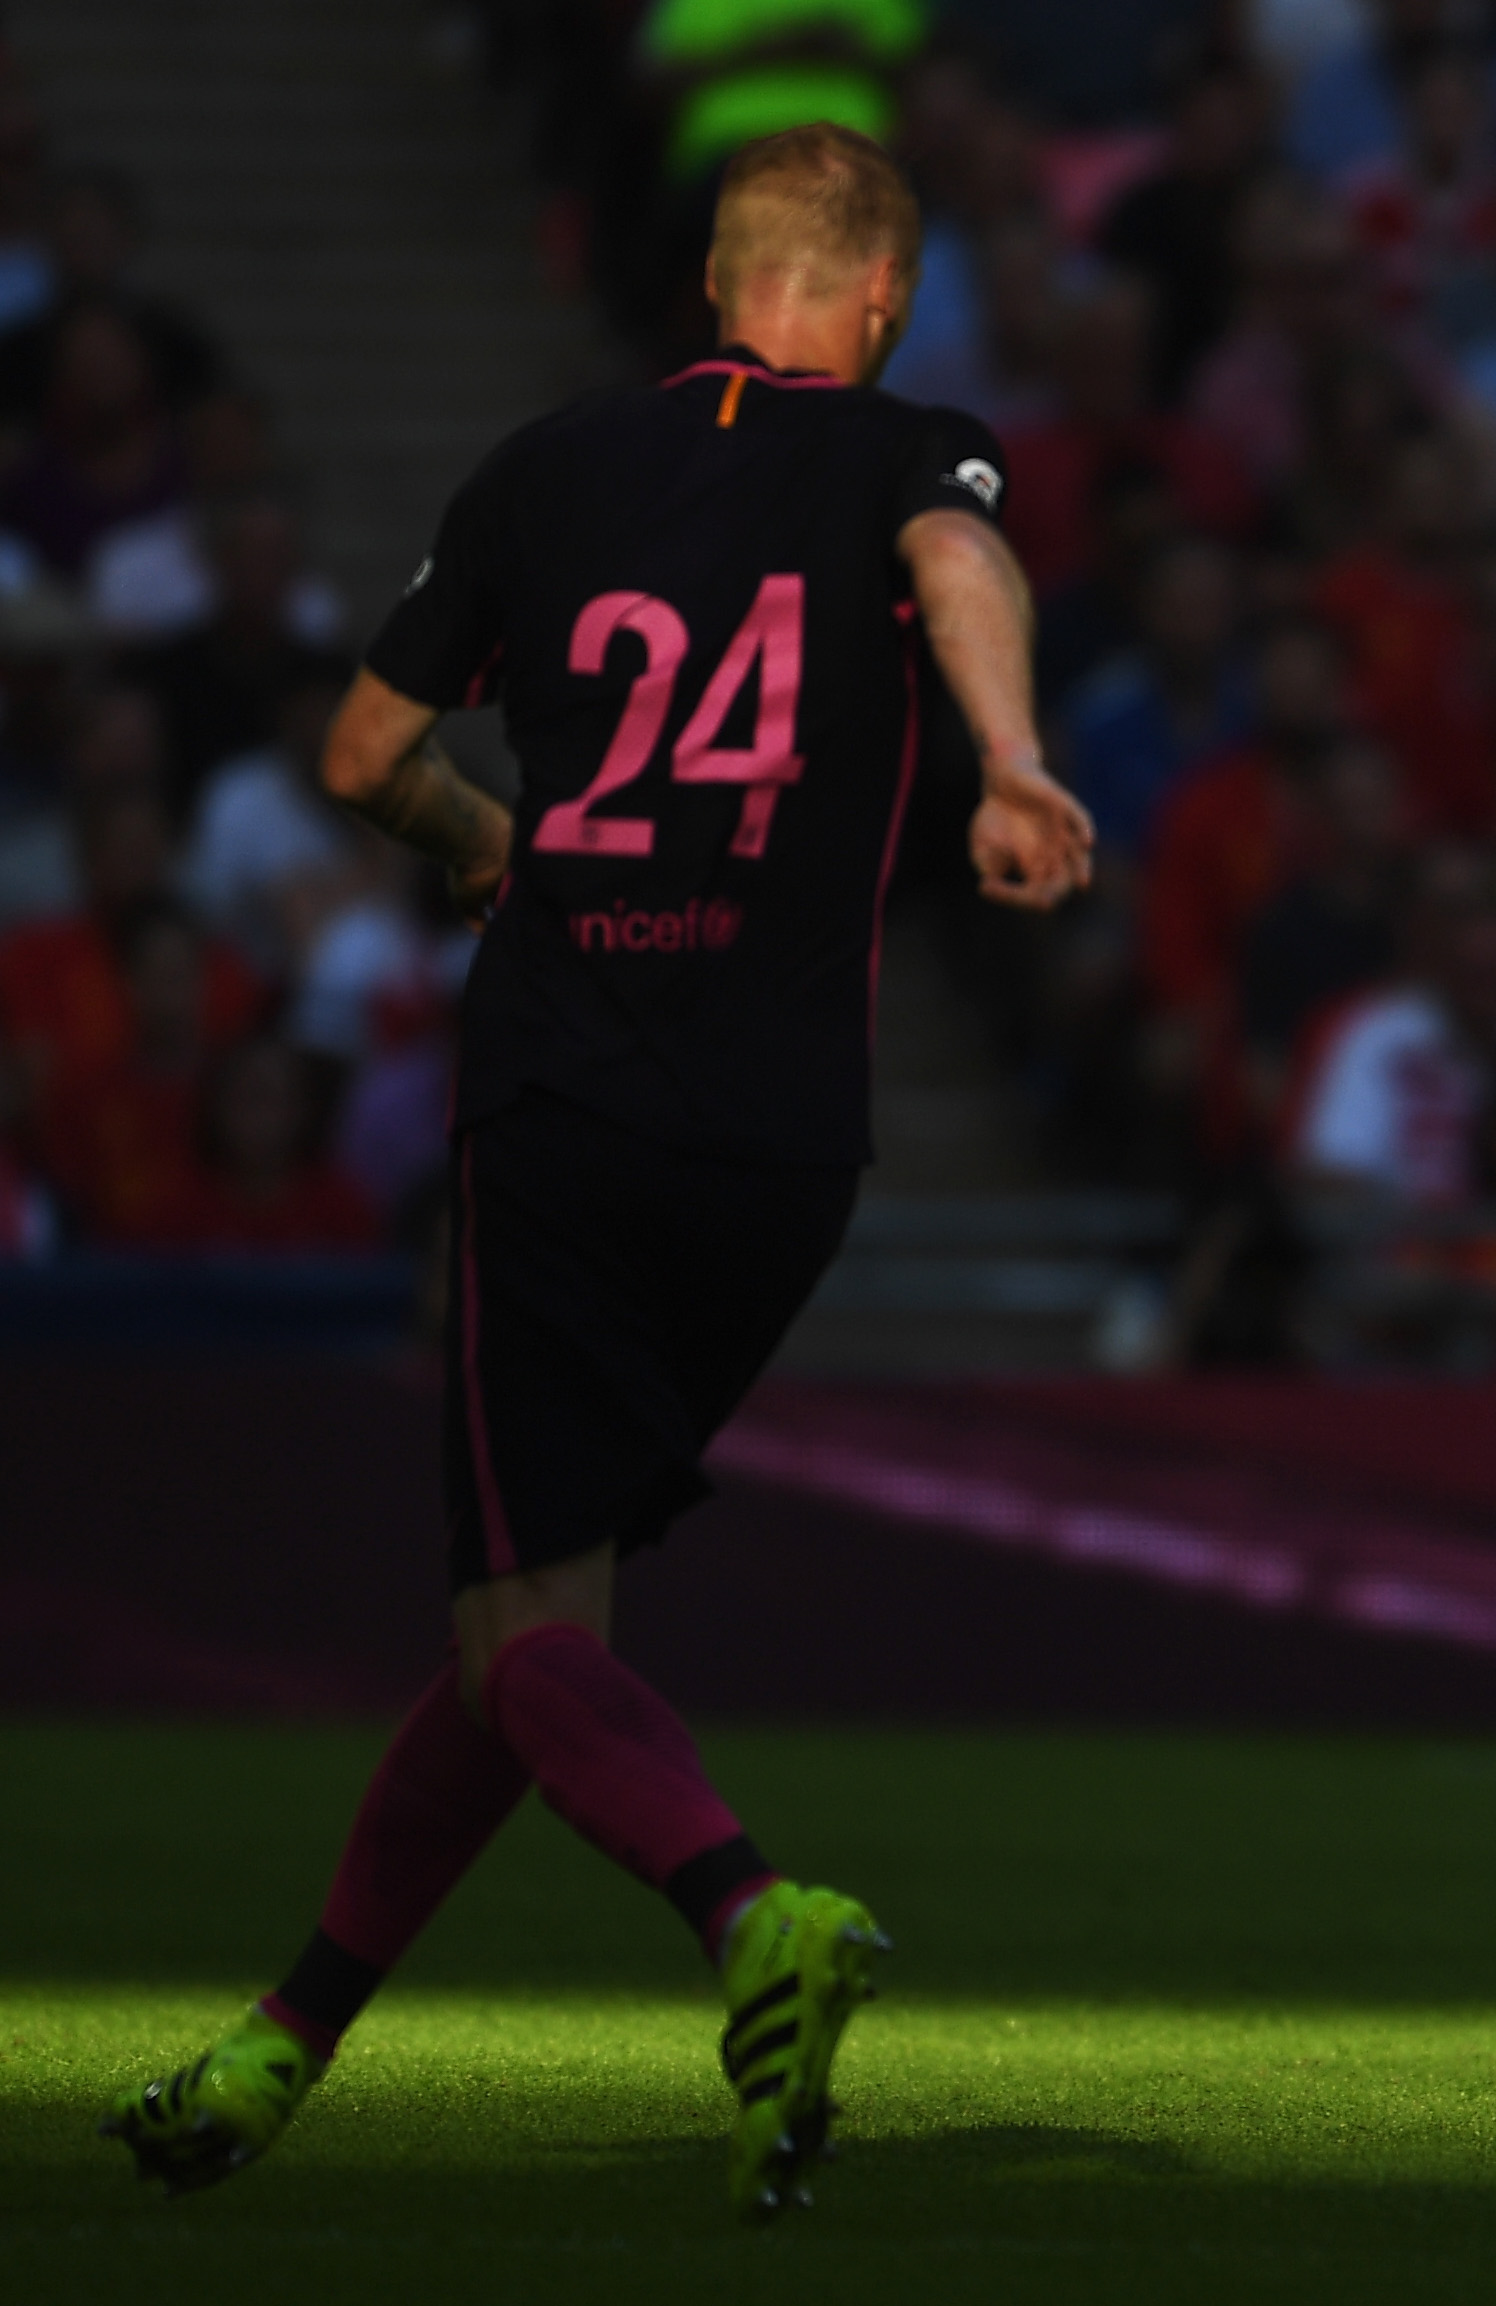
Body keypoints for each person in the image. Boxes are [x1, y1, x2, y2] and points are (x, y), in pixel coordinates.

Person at [99, 124, 1093, 2215]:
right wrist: (1008, 760)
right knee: (535, 1639)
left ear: (717, 284)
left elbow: (365, 756)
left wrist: (492, 851)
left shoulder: (548, 468)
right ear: (885, 296)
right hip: (785, 1143)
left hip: (566, 1099)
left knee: (518, 1628)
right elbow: (958, 563)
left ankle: (749, 1919)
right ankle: (280, 2050)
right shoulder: (916, 449)